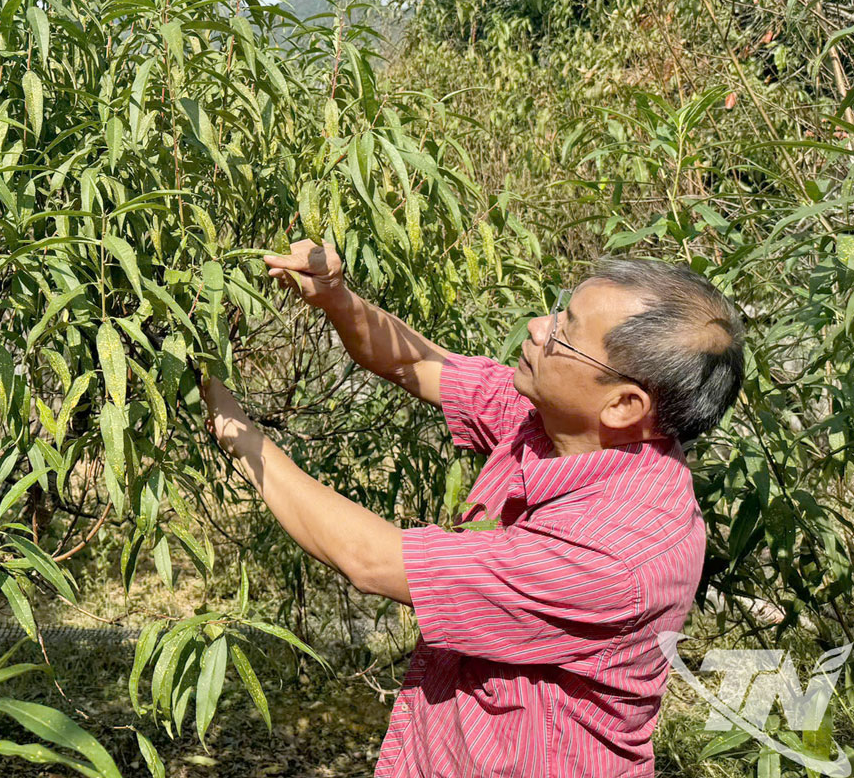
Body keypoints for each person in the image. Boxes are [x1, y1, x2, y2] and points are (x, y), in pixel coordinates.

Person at [201, 240, 745, 777]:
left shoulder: (617, 552)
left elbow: (370, 559)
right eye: (559, 307)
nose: (538, 326)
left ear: (625, 404)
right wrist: (336, 296)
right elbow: (416, 360)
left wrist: (239, 435)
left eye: (565, 333)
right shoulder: (557, 424)